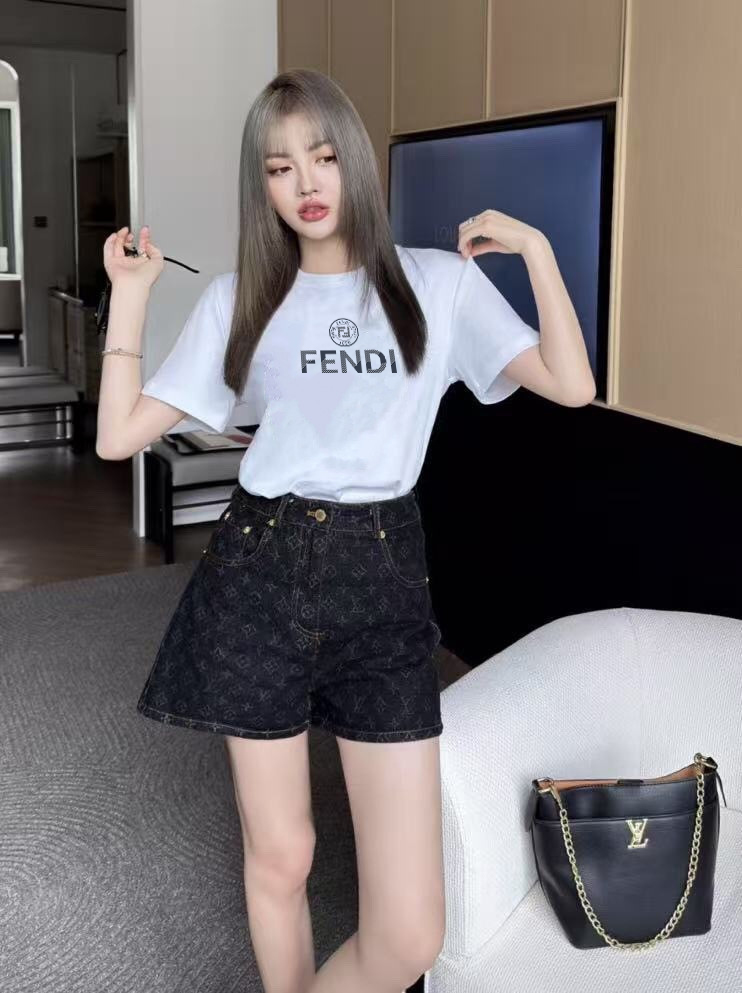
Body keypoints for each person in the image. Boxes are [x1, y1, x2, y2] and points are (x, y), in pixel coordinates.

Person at [97, 68, 594, 993]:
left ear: (352, 161)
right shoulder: (242, 297)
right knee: (282, 856)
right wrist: (130, 292)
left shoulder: (436, 284)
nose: (306, 183)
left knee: (409, 933)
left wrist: (535, 251)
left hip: (383, 575)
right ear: (263, 184)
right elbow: (117, 435)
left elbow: (572, 384)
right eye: (280, 166)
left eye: (322, 156)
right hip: (259, 570)